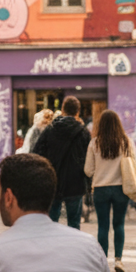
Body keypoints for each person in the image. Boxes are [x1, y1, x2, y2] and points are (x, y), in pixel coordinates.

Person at [31, 96, 91, 228]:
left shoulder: (50, 129)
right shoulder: (83, 132)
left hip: (53, 181)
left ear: (62, 110)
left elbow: (36, 153)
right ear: (78, 112)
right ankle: (71, 248)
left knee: (51, 222)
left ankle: (53, 247)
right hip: (76, 182)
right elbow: (89, 159)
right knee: (74, 223)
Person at [84, 110, 131, 272]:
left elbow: (88, 170)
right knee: (119, 224)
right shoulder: (125, 142)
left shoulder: (94, 143)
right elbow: (134, 163)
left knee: (102, 226)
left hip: (101, 189)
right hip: (121, 188)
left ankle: (103, 262)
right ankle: (118, 260)